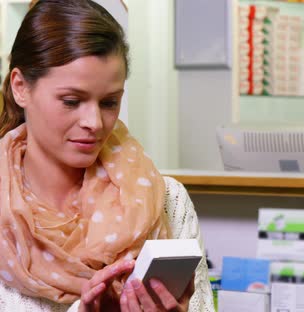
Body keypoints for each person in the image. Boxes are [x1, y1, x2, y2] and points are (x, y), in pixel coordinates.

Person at [0, 0, 214, 311]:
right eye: (72, 101)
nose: (94, 123)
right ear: (21, 87)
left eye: (109, 103)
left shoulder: (167, 200)